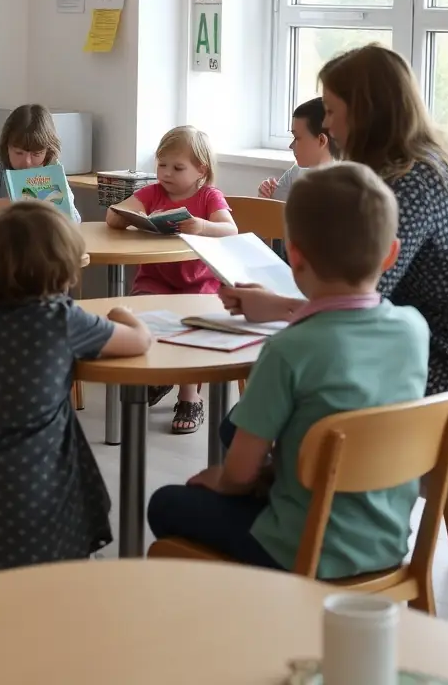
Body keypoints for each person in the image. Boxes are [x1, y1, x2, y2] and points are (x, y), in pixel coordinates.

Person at [148, 162, 429, 577]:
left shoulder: (289, 349)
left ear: (293, 256)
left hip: (303, 545)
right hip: (386, 540)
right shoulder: (413, 329)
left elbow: (239, 477)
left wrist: (221, 478)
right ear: (390, 254)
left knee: (167, 502)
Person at [224, 44, 448, 447]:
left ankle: (301, 504)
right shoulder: (427, 164)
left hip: (441, 376)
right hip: (418, 351)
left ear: (365, 112)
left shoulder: (406, 184)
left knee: (245, 425)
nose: (331, 127)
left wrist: (277, 307)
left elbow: (356, 309)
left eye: (333, 112)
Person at [0, 201, 151, 572]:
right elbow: (138, 342)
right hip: (34, 480)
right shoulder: (62, 319)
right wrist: (124, 312)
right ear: (67, 274)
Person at [106, 126, 237, 434]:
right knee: (140, 316)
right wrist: (123, 214)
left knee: (196, 326)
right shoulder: (153, 193)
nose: (166, 173)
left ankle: (189, 397)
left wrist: (203, 227)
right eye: (161, 164)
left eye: (177, 168)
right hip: (157, 278)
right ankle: (158, 374)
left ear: (200, 170)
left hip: (199, 281)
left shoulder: (209, 196)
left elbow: (230, 229)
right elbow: (116, 215)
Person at [0, 103, 80, 220]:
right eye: (19, 153)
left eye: (36, 154)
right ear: (7, 147)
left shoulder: (53, 167)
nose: (27, 162)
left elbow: (74, 218)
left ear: (47, 151)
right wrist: (21, 203)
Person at [258, 96, 336, 201]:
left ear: (321, 141)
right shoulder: (294, 173)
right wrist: (266, 198)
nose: (291, 146)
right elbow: (273, 214)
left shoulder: (349, 187)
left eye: (297, 138)